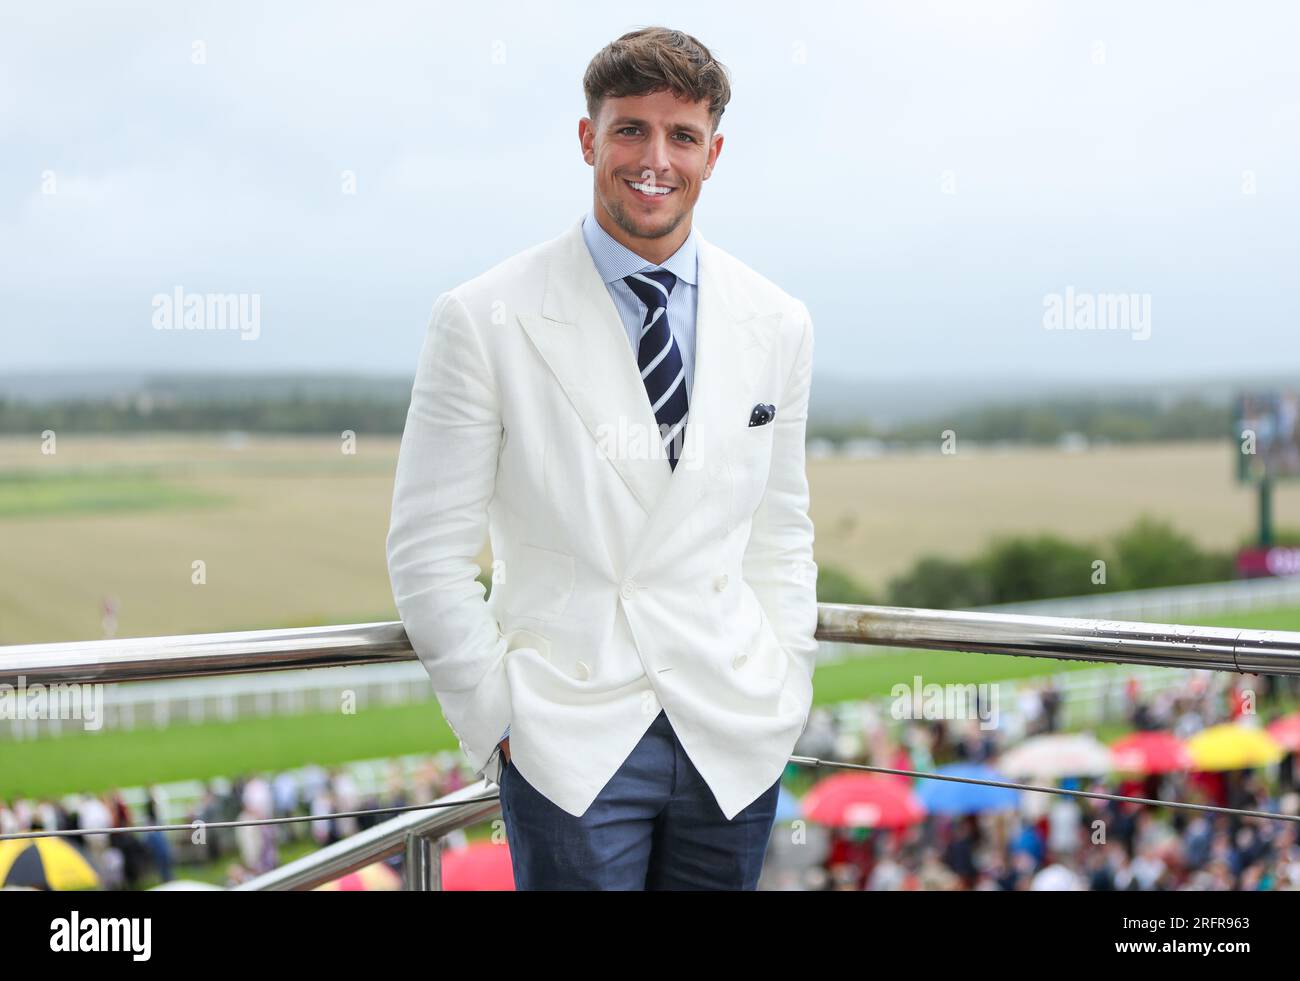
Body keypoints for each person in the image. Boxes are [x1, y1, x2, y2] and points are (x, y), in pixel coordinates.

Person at [386, 26, 818, 890]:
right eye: (631, 129)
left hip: (731, 730)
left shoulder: (779, 321)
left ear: (713, 152)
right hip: (569, 740)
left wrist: (786, 683)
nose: (655, 158)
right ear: (589, 137)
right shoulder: (483, 316)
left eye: (682, 135)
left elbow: (781, 529)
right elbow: (425, 551)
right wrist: (501, 717)